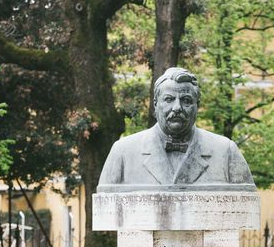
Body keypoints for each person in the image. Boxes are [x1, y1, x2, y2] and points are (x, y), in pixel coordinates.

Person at [97, 67, 255, 191]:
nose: (177, 107)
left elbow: (247, 202)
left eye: (186, 100)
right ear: (155, 105)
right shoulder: (123, 152)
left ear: (197, 106)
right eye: (169, 99)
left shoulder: (226, 151)